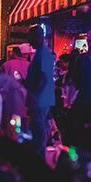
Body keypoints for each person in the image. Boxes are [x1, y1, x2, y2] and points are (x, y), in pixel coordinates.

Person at [24, 25, 56, 154]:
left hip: (40, 100)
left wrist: (34, 97)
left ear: (38, 36)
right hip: (41, 99)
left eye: (30, 37)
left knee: (38, 132)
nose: (29, 41)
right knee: (38, 131)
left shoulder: (42, 53)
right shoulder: (41, 53)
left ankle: (38, 162)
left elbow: (43, 77)